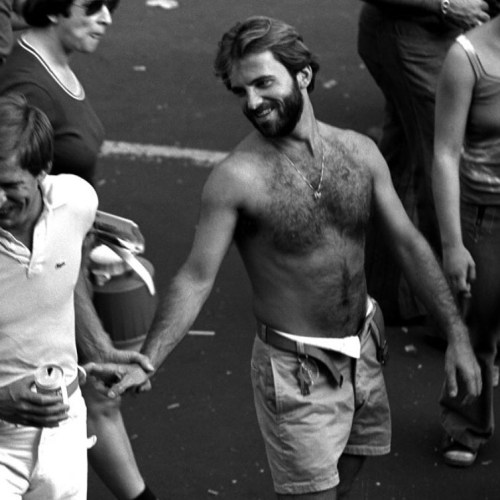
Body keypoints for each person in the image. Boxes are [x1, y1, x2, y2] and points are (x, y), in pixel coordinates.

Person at [97, 16, 481, 499]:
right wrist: (147, 361)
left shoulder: (359, 153)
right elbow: (195, 278)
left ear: (302, 74)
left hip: (362, 350)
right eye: (241, 91)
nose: (252, 103)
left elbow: (407, 243)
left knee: (354, 463)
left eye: (263, 83)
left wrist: (457, 336)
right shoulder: (237, 178)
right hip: (297, 372)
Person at [0, 2, 159, 499]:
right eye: (92, 3)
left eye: (10, 185)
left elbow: (58, 279)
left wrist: (98, 350)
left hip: (65, 432)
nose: (106, 16)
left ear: (44, 171)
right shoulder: (26, 88)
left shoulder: (76, 203)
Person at [357, 0, 492, 323]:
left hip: (428, 35)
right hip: (413, 38)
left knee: (403, 159)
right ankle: (453, 315)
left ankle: (382, 294)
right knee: (447, 168)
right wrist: (443, 5)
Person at [433, 16, 500, 468]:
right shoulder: (467, 57)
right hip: (485, 215)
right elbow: (444, 154)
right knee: (478, 321)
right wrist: (453, 244)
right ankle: (465, 424)